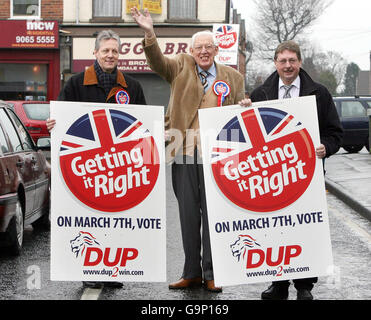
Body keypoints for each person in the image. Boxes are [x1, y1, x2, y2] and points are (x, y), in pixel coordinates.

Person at [131, 7, 251, 292]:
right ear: (191, 50)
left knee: (213, 216)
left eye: (209, 46)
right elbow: (157, 62)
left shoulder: (233, 78)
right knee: (187, 215)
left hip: (217, 159)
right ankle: (191, 272)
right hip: (183, 151)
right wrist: (149, 33)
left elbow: (238, 117)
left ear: (217, 49)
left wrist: (244, 107)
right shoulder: (180, 66)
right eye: (199, 47)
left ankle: (211, 273)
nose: (204, 51)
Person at [242, 40, 343, 300]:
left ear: (299, 62)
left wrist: (325, 148)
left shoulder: (319, 93)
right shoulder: (260, 94)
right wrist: (242, 111)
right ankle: (278, 284)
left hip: (306, 174)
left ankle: (304, 285)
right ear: (275, 63)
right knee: (273, 228)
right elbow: (245, 133)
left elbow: (334, 132)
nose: (287, 66)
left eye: (292, 61)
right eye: (282, 61)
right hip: (271, 175)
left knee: (305, 228)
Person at [47, 29, 147, 289]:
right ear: (95, 53)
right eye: (106, 50)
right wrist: (53, 124)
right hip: (87, 164)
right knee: (89, 215)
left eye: (115, 51)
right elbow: (62, 118)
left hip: (120, 166)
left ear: (119, 54)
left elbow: (143, 125)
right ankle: (91, 268)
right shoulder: (76, 83)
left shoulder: (132, 86)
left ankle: (111, 269)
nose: (110, 55)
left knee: (116, 216)